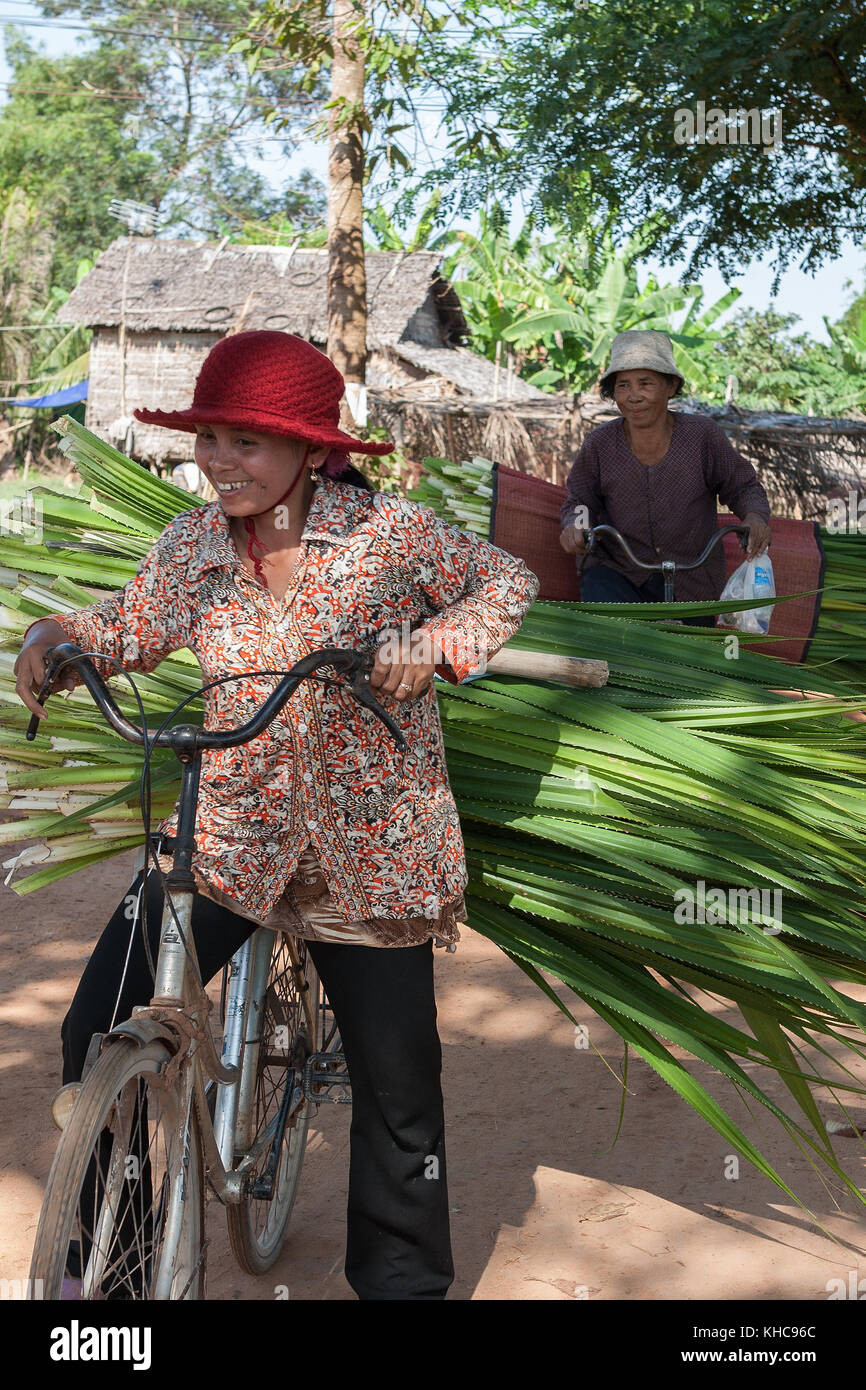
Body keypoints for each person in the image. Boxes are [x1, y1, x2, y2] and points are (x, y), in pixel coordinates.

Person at [14, 329, 539, 1301]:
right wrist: (61, 634)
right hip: (231, 838)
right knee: (97, 1024)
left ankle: (400, 1286)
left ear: (311, 450)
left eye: (246, 440)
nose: (219, 459)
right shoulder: (193, 543)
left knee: (398, 1097)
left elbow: (504, 582)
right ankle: (116, 1268)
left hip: (368, 854)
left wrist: (435, 643)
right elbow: (130, 623)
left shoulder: (387, 536)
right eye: (210, 436)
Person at [559, 330, 772, 620]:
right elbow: (580, 500)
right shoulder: (600, 443)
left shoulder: (702, 436)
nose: (633, 396)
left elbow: (743, 486)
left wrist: (755, 517)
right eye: (623, 385)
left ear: (670, 386)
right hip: (619, 574)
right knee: (612, 643)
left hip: (693, 581)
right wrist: (577, 525)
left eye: (645, 383)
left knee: (689, 658)